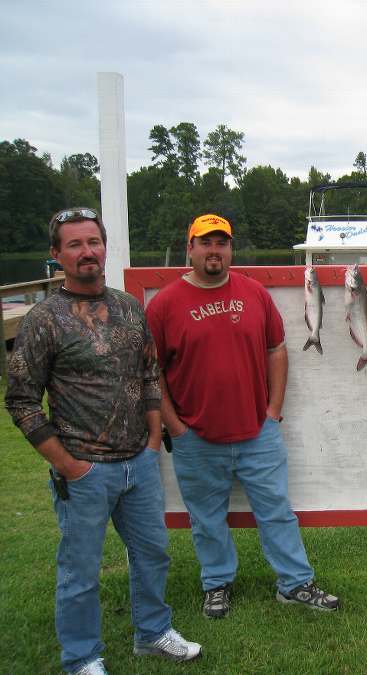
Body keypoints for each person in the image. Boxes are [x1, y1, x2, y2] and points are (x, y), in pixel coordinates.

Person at [5, 208, 201, 675]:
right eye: (74, 245)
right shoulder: (43, 320)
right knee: (80, 573)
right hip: (84, 470)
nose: (87, 252)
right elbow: (21, 401)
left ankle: (153, 633)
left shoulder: (129, 308)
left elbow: (149, 372)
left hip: (140, 463)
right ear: (57, 256)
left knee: (153, 554)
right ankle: (82, 658)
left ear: (104, 247)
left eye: (93, 242)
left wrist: (154, 439)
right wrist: (69, 465)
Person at [146, 214, 339, 619]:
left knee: (277, 513)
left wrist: (273, 411)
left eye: (222, 243)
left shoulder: (254, 293)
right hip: (195, 437)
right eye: (206, 243)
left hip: (258, 434)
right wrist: (175, 426)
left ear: (230, 249)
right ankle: (216, 584)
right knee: (206, 520)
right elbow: (152, 372)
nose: (214, 250)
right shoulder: (164, 304)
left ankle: (295, 583)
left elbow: (277, 350)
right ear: (190, 248)